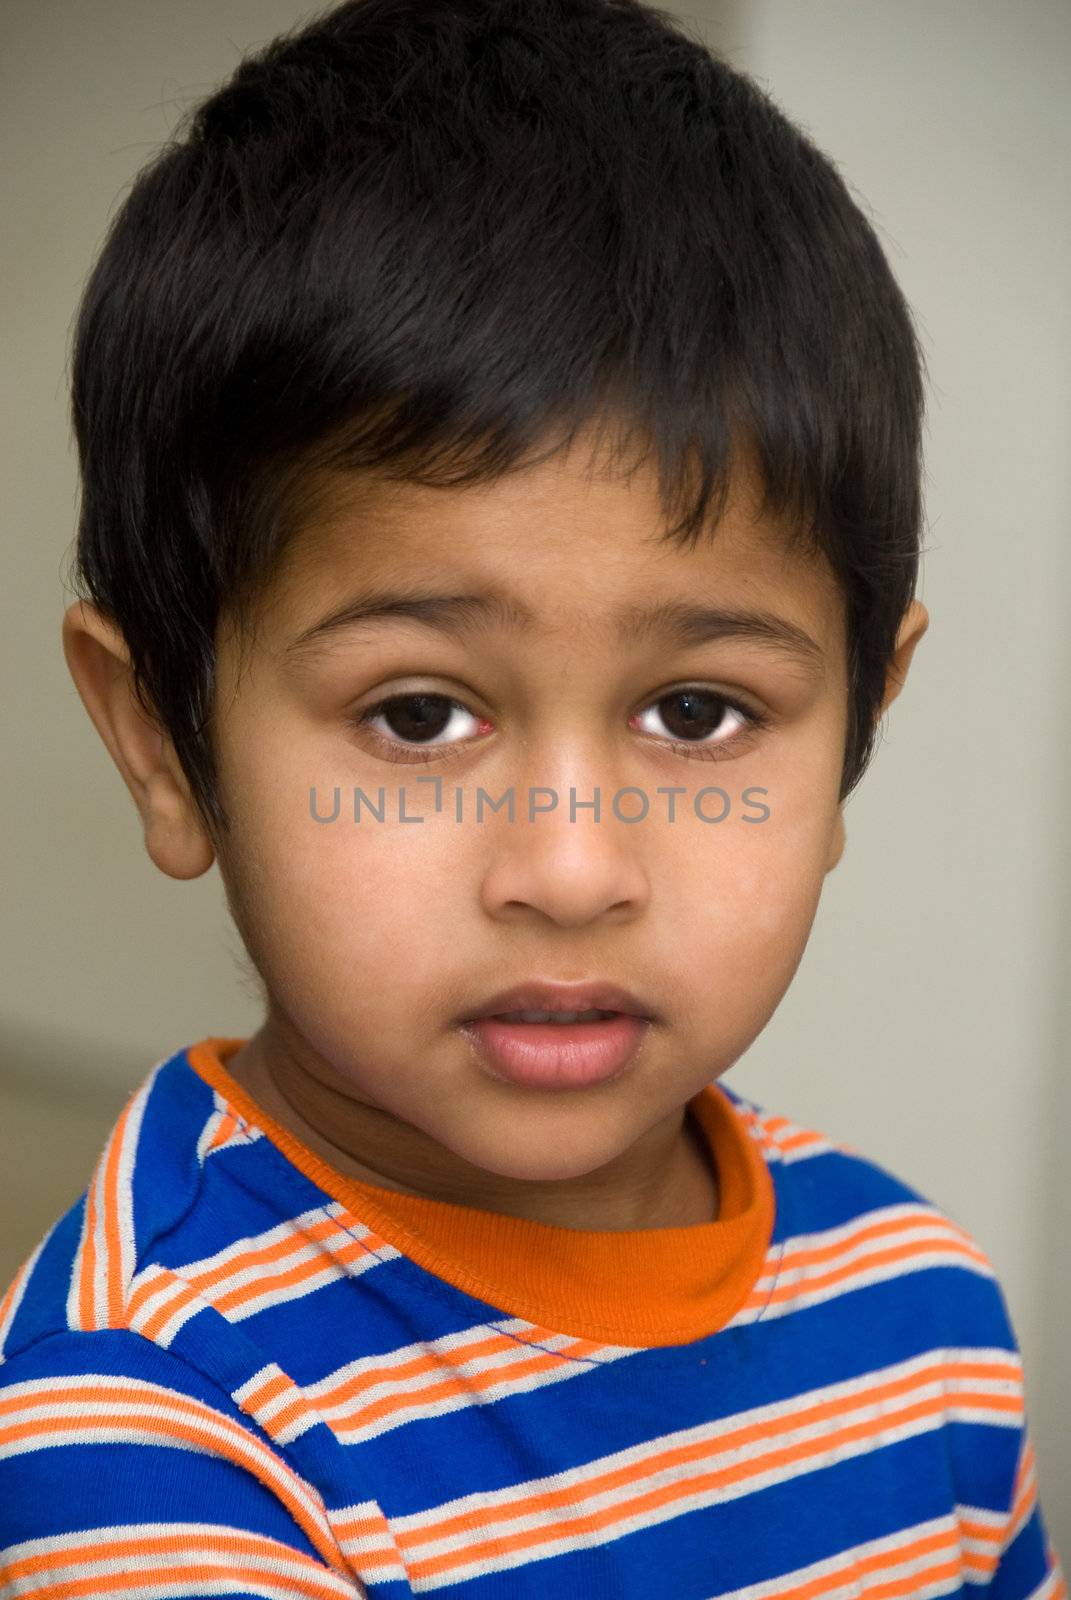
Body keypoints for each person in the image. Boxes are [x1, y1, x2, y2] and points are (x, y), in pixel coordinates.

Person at [1, 0, 1064, 1594]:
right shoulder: (155, 1421)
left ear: (859, 725)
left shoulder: (920, 1313)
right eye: (419, 715)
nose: (571, 872)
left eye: (699, 712)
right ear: (164, 737)